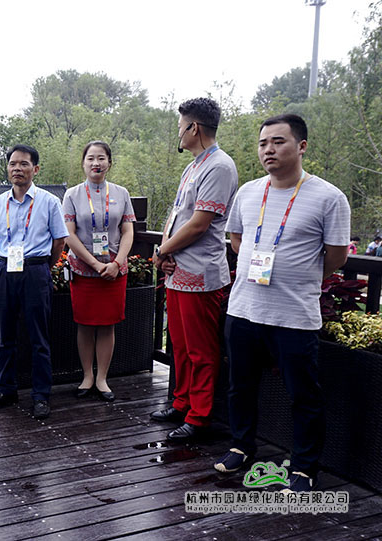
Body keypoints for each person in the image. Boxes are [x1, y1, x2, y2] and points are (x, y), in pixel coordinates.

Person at [215, 114, 350, 493]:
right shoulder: (248, 192)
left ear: (301, 146)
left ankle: (304, 467)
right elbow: (237, 239)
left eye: (278, 142)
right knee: (240, 387)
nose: (268, 150)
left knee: (304, 396)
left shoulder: (329, 198)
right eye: (263, 143)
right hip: (243, 310)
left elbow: (337, 256)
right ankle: (242, 446)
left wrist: (298, 274)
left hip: (294, 316)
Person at [150, 98, 238, 441]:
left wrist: (163, 251)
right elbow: (177, 215)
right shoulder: (194, 166)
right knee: (181, 345)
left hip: (201, 274)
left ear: (194, 127)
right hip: (177, 270)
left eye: (180, 127)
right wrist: (162, 252)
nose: (179, 133)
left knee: (201, 350)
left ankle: (199, 417)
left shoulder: (219, 166)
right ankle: (181, 402)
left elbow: (199, 224)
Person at [0, 144, 69, 420]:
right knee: (5, 335)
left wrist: (44, 267)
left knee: (38, 337)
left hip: (35, 270)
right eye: (13, 164)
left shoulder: (49, 202)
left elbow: (59, 241)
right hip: (5, 270)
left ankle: (41, 395)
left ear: (35, 169)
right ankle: (5, 390)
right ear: (7, 168)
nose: (17, 169)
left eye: (23, 164)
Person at [61, 141, 135, 401]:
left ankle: (102, 377)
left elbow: (128, 231)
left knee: (107, 325)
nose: (96, 163)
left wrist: (117, 263)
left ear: (109, 163)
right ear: (83, 163)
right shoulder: (72, 195)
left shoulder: (121, 193)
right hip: (83, 271)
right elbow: (69, 235)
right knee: (84, 324)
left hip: (114, 271)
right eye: (90, 158)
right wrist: (94, 264)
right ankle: (87, 376)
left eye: (101, 158)